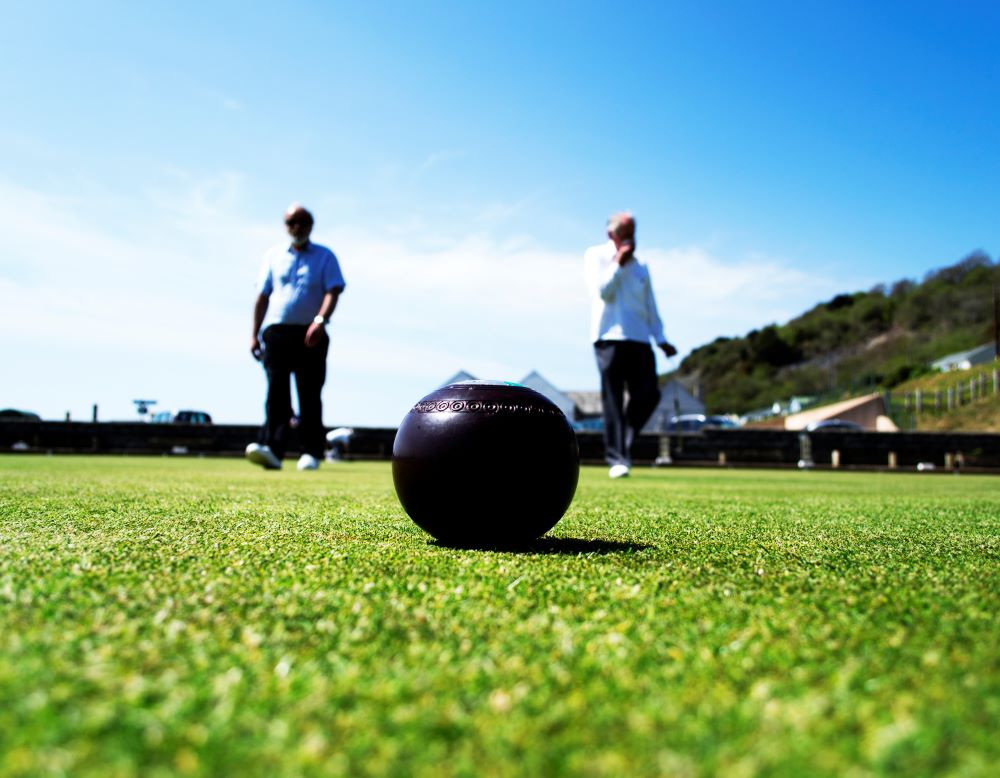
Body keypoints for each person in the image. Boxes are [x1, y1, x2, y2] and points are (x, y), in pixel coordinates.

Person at [246, 203, 346, 471]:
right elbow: (263, 296)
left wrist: (320, 320)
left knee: (309, 393)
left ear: (310, 226)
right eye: (291, 222)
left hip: (312, 333)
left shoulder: (325, 256)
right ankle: (273, 450)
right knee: (276, 392)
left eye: (302, 222)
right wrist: (254, 334)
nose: (297, 227)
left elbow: (332, 291)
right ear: (285, 226)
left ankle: (311, 452)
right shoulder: (273, 256)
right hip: (277, 332)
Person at [584, 212, 676, 479]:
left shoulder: (642, 265)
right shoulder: (596, 256)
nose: (630, 237)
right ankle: (618, 458)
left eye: (633, 232)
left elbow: (650, 306)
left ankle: (623, 440)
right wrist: (618, 263)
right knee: (612, 400)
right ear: (612, 234)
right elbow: (602, 292)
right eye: (625, 232)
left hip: (639, 340)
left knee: (649, 395)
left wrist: (661, 339)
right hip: (608, 338)